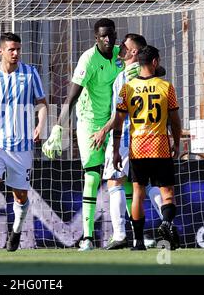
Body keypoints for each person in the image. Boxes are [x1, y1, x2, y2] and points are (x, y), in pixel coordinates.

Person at [42, 18, 131, 251]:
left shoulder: (119, 55)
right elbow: (71, 97)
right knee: (92, 177)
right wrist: (58, 127)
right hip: (90, 124)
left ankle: (137, 234)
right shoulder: (88, 59)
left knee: (123, 176)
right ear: (96, 37)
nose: (108, 39)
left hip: (114, 122)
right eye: (103, 36)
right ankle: (88, 238)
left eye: (111, 34)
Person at [90, 34, 166, 250]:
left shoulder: (124, 78)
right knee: (149, 184)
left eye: (125, 46)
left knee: (115, 182)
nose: (120, 48)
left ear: (134, 52)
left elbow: (119, 115)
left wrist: (104, 131)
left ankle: (120, 234)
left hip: (125, 138)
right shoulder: (153, 77)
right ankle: (168, 224)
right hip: (150, 138)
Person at [0, 32, 48, 252]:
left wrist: (40, 125)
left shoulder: (30, 73)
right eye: (11, 49)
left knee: (20, 195)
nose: (15, 53)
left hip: (22, 146)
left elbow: (43, 104)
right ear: (1, 51)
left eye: (18, 49)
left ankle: (16, 231)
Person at [113, 45, 181, 251]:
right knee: (167, 193)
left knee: (137, 194)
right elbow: (175, 120)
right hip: (159, 147)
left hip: (137, 148)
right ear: (155, 62)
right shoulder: (165, 86)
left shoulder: (128, 88)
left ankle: (138, 242)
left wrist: (116, 150)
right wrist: (176, 143)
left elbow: (118, 122)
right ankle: (165, 224)